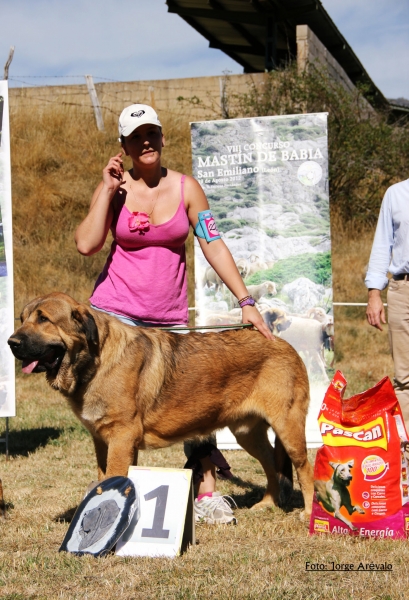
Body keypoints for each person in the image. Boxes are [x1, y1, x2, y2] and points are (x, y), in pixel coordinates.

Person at [75, 104, 273, 524]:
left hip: (168, 320)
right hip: (115, 319)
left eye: (152, 133)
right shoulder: (116, 187)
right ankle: (108, 495)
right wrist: (105, 190)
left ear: (163, 139)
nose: (145, 141)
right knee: (112, 413)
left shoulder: (187, 188)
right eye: (135, 136)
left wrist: (246, 302)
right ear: (124, 146)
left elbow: (212, 244)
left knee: (195, 404)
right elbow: (87, 244)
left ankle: (206, 495)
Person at [365, 178, 409, 432]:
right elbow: (382, 245)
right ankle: (406, 454)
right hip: (402, 289)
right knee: (404, 377)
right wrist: (374, 293)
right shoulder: (395, 193)